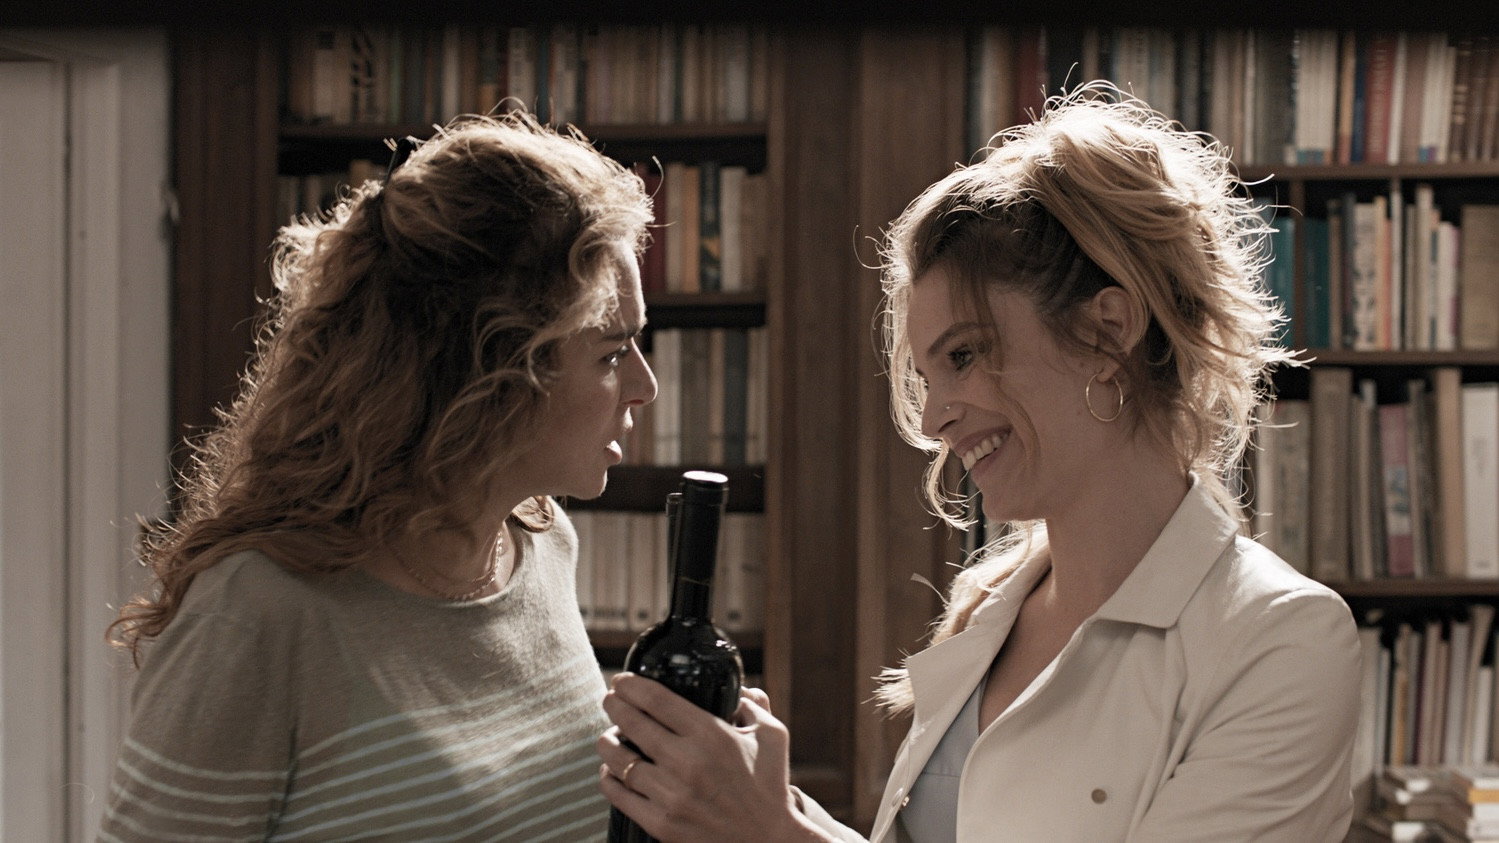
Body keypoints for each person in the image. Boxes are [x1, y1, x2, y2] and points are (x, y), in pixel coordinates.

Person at [596, 81, 1362, 841]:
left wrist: (773, 833)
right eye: (927, 377)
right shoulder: (993, 604)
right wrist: (770, 807)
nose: (934, 418)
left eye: (963, 355)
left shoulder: (1279, 641)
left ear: (1107, 332)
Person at [99, 111, 657, 841]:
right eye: (611, 354)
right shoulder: (255, 614)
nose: (645, 386)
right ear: (491, 370)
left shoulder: (543, 543)